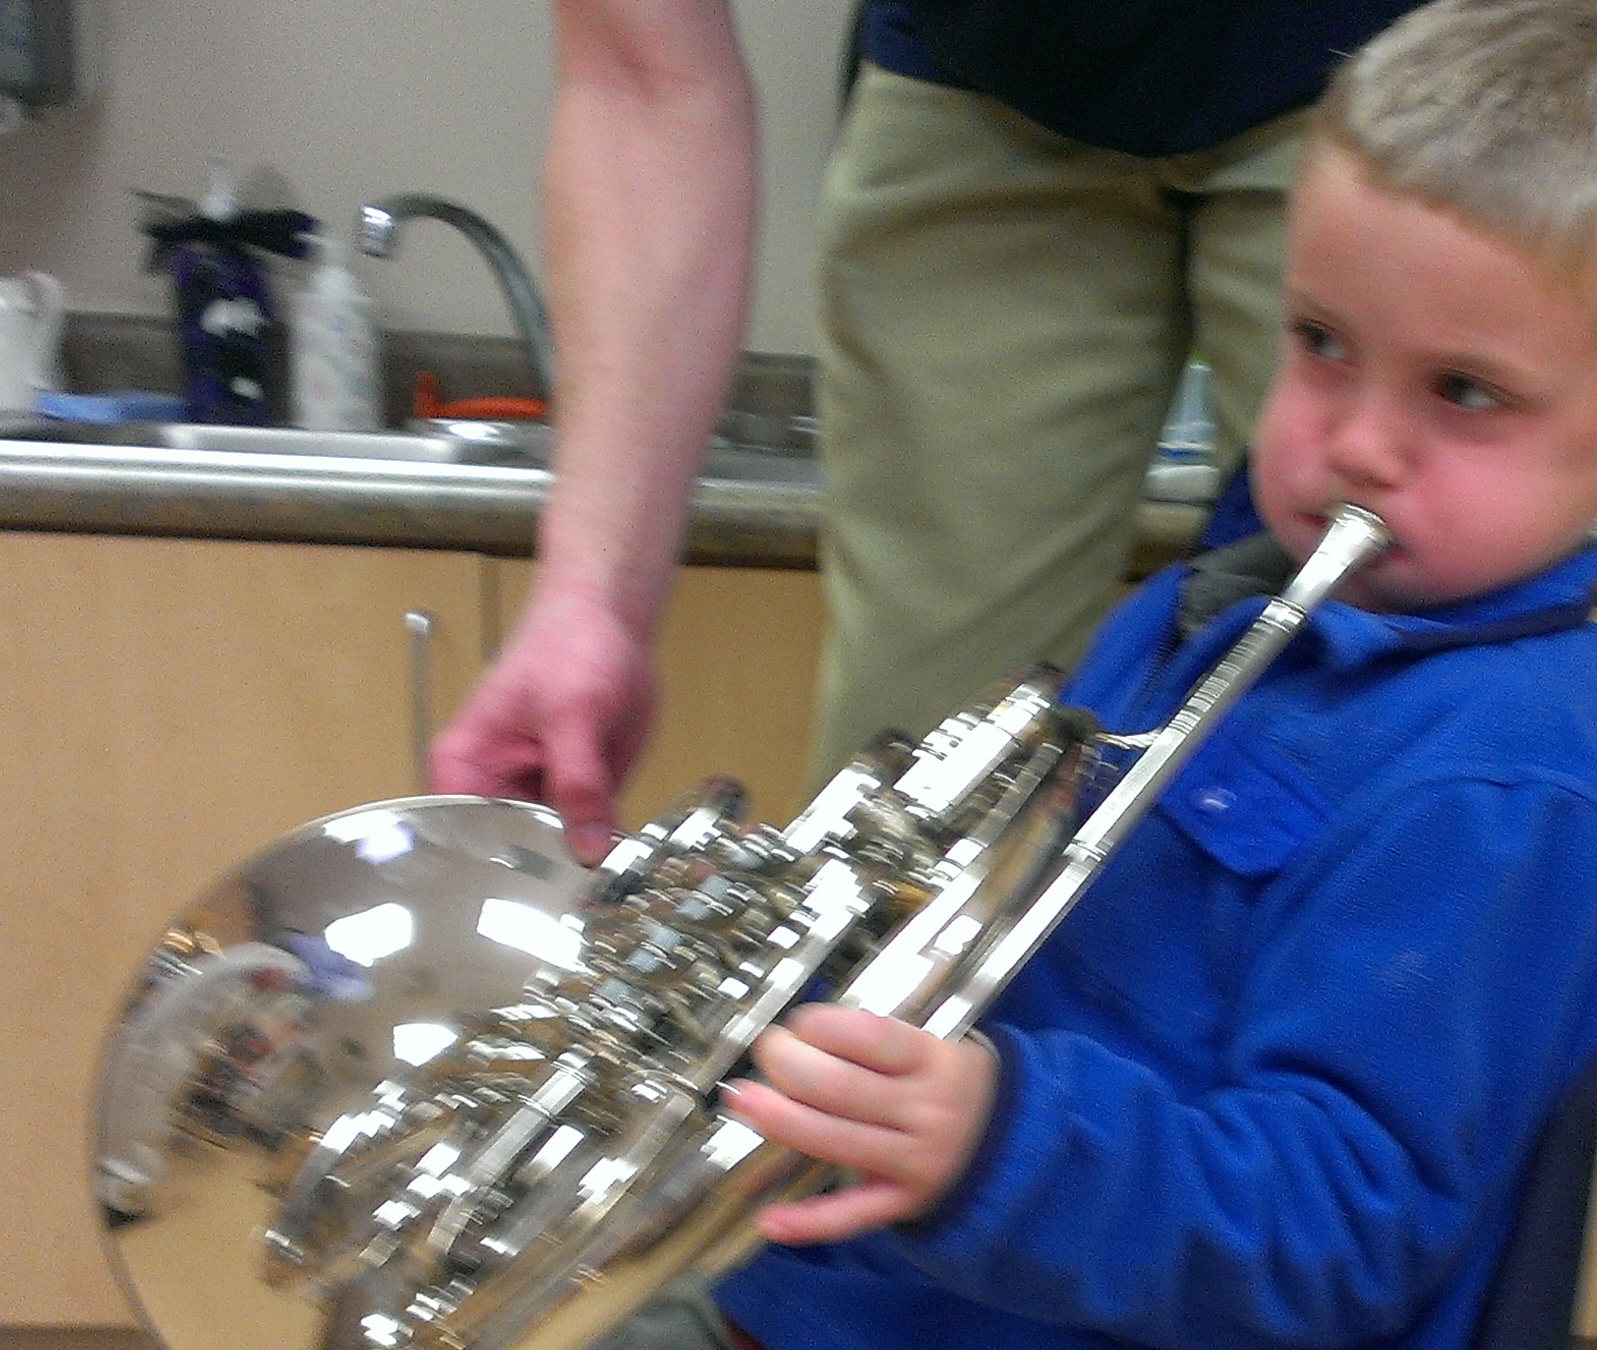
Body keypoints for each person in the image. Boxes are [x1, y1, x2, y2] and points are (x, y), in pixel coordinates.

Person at [0, 4, 1597, 1350]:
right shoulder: (1209, 615)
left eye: (1460, 396)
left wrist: (998, 1137)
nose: (1352, 442)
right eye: (1320, 348)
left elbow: (1345, 1211)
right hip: (871, 1348)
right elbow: (991, 926)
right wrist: (756, 962)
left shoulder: (1510, 787)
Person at [428, 0, 1431, 849]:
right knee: (902, 815)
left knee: (1398, 747)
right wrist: (594, 598)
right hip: (980, 68)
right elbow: (638, 77)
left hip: (1406, 61)